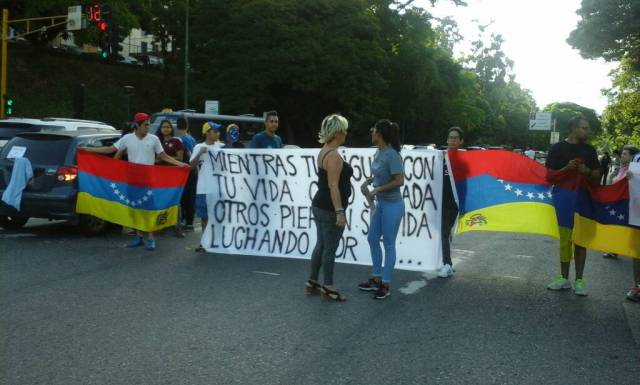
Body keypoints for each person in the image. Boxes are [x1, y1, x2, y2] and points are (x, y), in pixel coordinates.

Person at [83, 112, 189, 251]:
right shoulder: (127, 138)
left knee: (149, 208)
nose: (148, 127)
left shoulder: (154, 139)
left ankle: (150, 237)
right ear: (137, 125)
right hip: (132, 179)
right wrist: (88, 150)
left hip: (148, 179)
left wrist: (181, 165)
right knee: (135, 208)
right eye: (146, 125)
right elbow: (110, 149)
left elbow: (163, 156)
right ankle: (138, 236)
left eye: (149, 125)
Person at [545, 116, 601, 296]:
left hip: (583, 197)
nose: (588, 131)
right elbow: (549, 176)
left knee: (580, 239)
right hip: (563, 197)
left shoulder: (590, 150)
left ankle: (579, 280)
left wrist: (587, 171)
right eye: (584, 128)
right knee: (565, 238)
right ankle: (563, 278)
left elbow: (597, 176)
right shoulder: (557, 148)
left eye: (588, 128)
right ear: (573, 128)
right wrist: (566, 168)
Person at [305, 114, 352, 302]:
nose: (346, 133)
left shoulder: (324, 150)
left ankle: (313, 282)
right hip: (329, 208)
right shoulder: (333, 156)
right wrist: (340, 212)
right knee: (329, 248)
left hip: (319, 204)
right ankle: (329, 286)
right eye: (345, 130)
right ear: (338, 132)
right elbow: (333, 186)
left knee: (321, 244)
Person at [358, 119, 405, 300]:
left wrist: (377, 189)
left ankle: (385, 284)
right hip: (382, 204)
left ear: (380, 134)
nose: (371, 133)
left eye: (373, 130)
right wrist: (369, 182)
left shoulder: (393, 155)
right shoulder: (378, 152)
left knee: (389, 243)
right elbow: (379, 174)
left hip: (393, 205)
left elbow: (399, 180)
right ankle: (376, 278)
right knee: (372, 238)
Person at [189, 122, 225, 252]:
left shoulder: (221, 147)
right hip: (203, 187)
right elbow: (191, 167)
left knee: (219, 216)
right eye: (215, 131)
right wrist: (199, 154)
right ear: (207, 133)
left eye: (218, 131)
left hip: (218, 188)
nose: (218, 133)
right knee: (205, 217)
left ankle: (218, 241)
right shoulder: (199, 146)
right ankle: (204, 242)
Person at [438, 127, 463, 278]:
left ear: (461, 141)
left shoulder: (464, 161)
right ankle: (446, 262)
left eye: (455, 138)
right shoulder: (439, 157)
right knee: (443, 233)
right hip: (436, 201)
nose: (452, 140)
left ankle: (447, 264)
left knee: (444, 233)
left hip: (452, 203)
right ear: (447, 139)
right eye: (450, 137)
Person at [156, 119, 186, 238]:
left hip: (173, 175)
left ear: (171, 129)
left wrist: (164, 158)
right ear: (160, 128)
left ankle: (177, 227)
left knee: (175, 201)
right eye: (164, 127)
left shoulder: (177, 141)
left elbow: (180, 159)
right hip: (159, 175)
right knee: (162, 201)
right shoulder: (157, 141)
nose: (166, 129)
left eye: (168, 127)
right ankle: (162, 226)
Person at [177, 122, 197, 231]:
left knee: (187, 198)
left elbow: (190, 155)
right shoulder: (191, 138)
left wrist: (193, 168)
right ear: (187, 127)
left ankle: (189, 223)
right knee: (190, 197)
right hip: (192, 171)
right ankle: (188, 220)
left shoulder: (183, 139)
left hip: (188, 171)